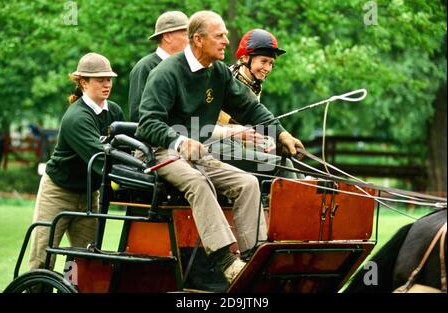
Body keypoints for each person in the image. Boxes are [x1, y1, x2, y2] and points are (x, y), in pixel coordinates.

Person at [135, 10, 304, 283]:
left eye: (225, 35)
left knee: (248, 183)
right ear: (199, 40)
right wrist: (179, 140)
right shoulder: (165, 72)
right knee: (199, 183)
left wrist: (281, 133)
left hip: (200, 152)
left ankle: (254, 259)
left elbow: (250, 108)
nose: (227, 41)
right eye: (220, 35)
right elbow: (147, 124)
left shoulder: (219, 73)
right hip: (162, 151)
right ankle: (227, 262)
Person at [29, 53, 125, 271]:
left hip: (89, 193)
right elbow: (103, 160)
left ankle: (71, 287)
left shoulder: (115, 112)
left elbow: (124, 149)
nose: (107, 84)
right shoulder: (77, 117)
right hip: (58, 193)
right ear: (83, 82)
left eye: (109, 79)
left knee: (85, 259)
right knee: (42, 257)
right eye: (100, 79)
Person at [212, 29, 299, 181]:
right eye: (263, 61)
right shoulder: (229, 81)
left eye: (271, 63)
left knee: (290, 164)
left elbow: (252, 119)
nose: (267, 68)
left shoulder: (254, 84)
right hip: (215, 146)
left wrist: (269, 138)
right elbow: (211, 124)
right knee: (283, 167)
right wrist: (246, 134)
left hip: (236, 146)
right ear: (245, 58)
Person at [128, 11, 189, 123]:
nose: (191, 40)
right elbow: (138, 116)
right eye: (186, 35)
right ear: (167, 37)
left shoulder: (187, 67)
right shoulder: (144, 67)